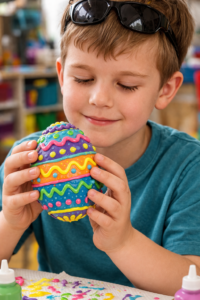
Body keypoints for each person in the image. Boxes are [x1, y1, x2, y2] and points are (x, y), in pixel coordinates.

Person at [0, 0, 199, 296]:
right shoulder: (28, 161)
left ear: (165, 89)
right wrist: (9, 222)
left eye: (127, 84)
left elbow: (192, 281)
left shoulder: (187, 166)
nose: (99, 98)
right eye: (83, 78)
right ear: (62, 76)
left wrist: (123, 243)